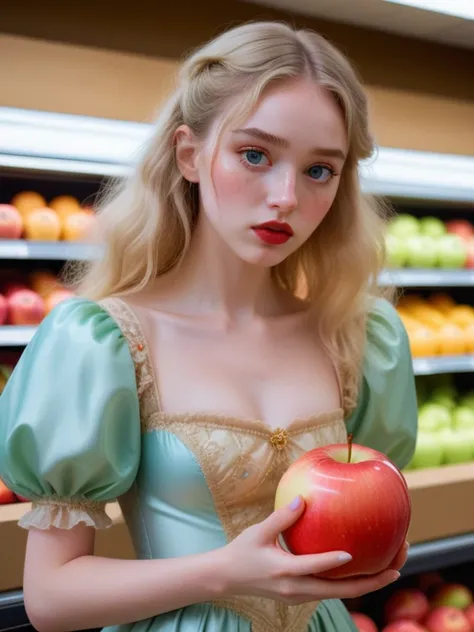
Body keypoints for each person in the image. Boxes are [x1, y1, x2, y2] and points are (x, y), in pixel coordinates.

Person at [0, 20, 417, 632]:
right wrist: (223, 570)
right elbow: (52, 598)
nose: (285, 196)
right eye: (255, 154)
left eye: (318, 170)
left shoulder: (359, 338)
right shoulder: (102, 342)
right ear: (190, 154)